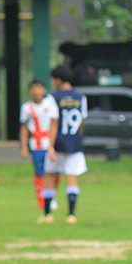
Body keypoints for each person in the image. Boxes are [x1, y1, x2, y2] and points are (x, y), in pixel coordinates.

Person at [42, 65, 88, 224]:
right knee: (71, 176)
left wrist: (50, 145)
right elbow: (83, 121)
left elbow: (54, 123)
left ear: (58, 80)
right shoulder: (81, 97)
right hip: (74, 142)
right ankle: (71, 214)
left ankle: (47, 214)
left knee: (49, 174)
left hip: (58, 142)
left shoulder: (53, 98)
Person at [19, 79, 59, 213]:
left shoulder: (50, 103)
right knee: (39, 172)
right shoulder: (26, 108)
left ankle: (51, 196)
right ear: (30, 91)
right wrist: (24, 145)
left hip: (50, 143)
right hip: (36, 144)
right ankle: (41, 200)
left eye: (39, 88)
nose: (36, 91)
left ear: (44, 90)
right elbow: (24, 127)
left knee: (54, 172)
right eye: (34, 88)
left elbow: (54, 123)